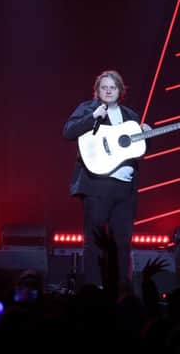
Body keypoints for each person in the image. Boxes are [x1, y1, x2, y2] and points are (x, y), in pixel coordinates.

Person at [63, 70, 150, 287]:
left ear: (120, 91)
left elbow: (138, 150)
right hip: (96, 186)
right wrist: (92, 117)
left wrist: (148, 135)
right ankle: (93, 288)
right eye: (104, 87)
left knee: (122, 242)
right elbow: (68, 132)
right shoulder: (88, 108)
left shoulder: (130, 115)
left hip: (124, 189)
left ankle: (122, 288)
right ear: (97, 91)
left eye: (113, 87)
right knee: (94, 242)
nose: (108, 91)